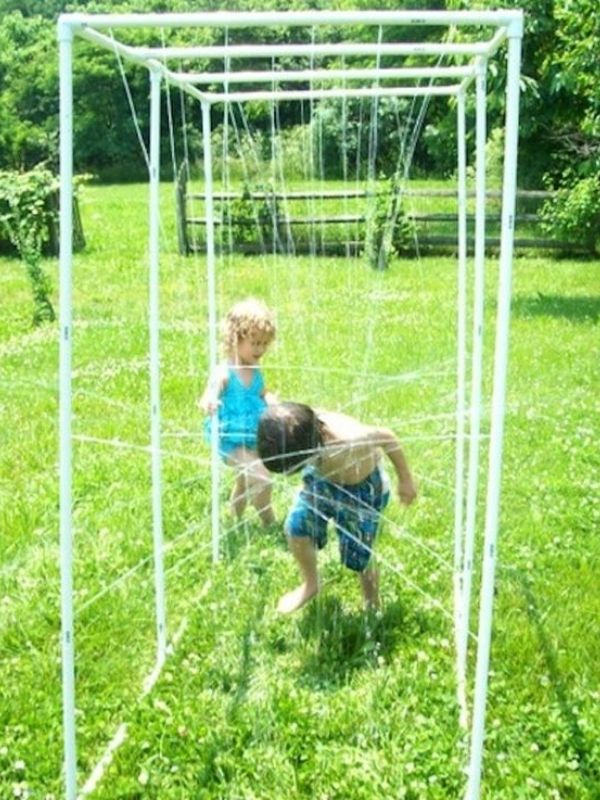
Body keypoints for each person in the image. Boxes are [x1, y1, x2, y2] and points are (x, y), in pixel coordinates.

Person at [257, 402, 417, 613]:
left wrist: (405, 479)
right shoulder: (292, 426)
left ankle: (371, 602)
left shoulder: (349, 440)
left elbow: (386, 437)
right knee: (296, 528)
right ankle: (311, 584)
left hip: (361, 490)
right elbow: (276, 409)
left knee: (360, 553)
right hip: (322, 482)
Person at [199, 298, 277, 527]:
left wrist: (273, 402)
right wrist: (209, 401)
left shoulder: (255, 370)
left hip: (252, 435)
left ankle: (233, 518)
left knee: (244, 480)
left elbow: (263, 393)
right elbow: (209, 393)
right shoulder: (225, 371)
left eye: (264, 344)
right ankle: (269, 521)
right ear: (235, 338)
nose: (260, 349)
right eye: (254, 343)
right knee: (261, 477)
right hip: (230, 439)